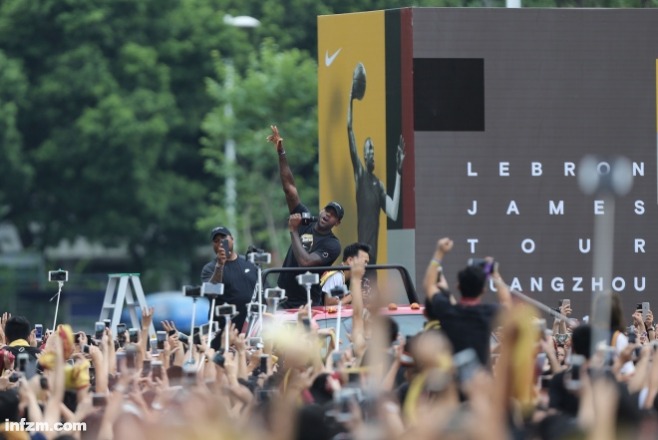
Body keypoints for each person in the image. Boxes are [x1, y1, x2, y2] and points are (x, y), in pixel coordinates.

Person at [267, 125, 342, 308]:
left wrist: (293, 231)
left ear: (337, 223)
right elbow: (290, 190)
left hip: (306, 303)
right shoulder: (306, 220)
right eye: (327, 210)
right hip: (282, 298)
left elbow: (306, 262)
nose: (327, 216)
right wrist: (281, 152)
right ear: (322, 210)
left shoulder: (332, 244)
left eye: (333, 216)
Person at [347, 64, 405, 264]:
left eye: (372, 149)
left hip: (373, 258)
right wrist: (350, 99)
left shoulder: (378, 185)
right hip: (360, 257)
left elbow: (393, 213)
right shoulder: (360, 176)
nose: (370, 153)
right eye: (367, 150)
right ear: (363, 156)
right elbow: (349, 129)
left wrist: (398, 173)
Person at [423, 237, 512, 366]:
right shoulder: (487, 313)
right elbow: (507, 304)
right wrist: (495, 273)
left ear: (458, 286)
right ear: (484, 290)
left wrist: (439, 252)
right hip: (480, 382)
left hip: (453, 382)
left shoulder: (449, 311)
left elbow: (429, 286)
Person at [200, 226, 258, 332]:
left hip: (252, 328)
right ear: (213, 245)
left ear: (232, 239)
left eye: (223, 239)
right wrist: (220, 265)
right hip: (223, 330)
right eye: (216, 241)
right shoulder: (209, 268)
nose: (220, 243)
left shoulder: (249, 263)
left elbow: (263, 289)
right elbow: (212, 293)